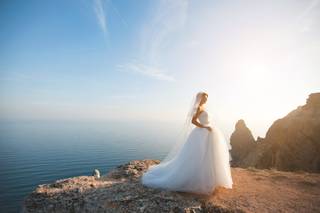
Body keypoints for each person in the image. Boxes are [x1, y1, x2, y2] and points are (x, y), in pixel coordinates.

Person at [141, 92, 233, 195]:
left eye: (207, 98)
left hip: (209, 132)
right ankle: (198, 178)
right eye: (204, 98)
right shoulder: (198, 108)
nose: (206, 100)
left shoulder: (204, 106)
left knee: (210, 155)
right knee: (199, 155)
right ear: (200, 98)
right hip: (201, 133)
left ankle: (211, 177)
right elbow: (193, 121)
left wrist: (208, 127)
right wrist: (205, 127)